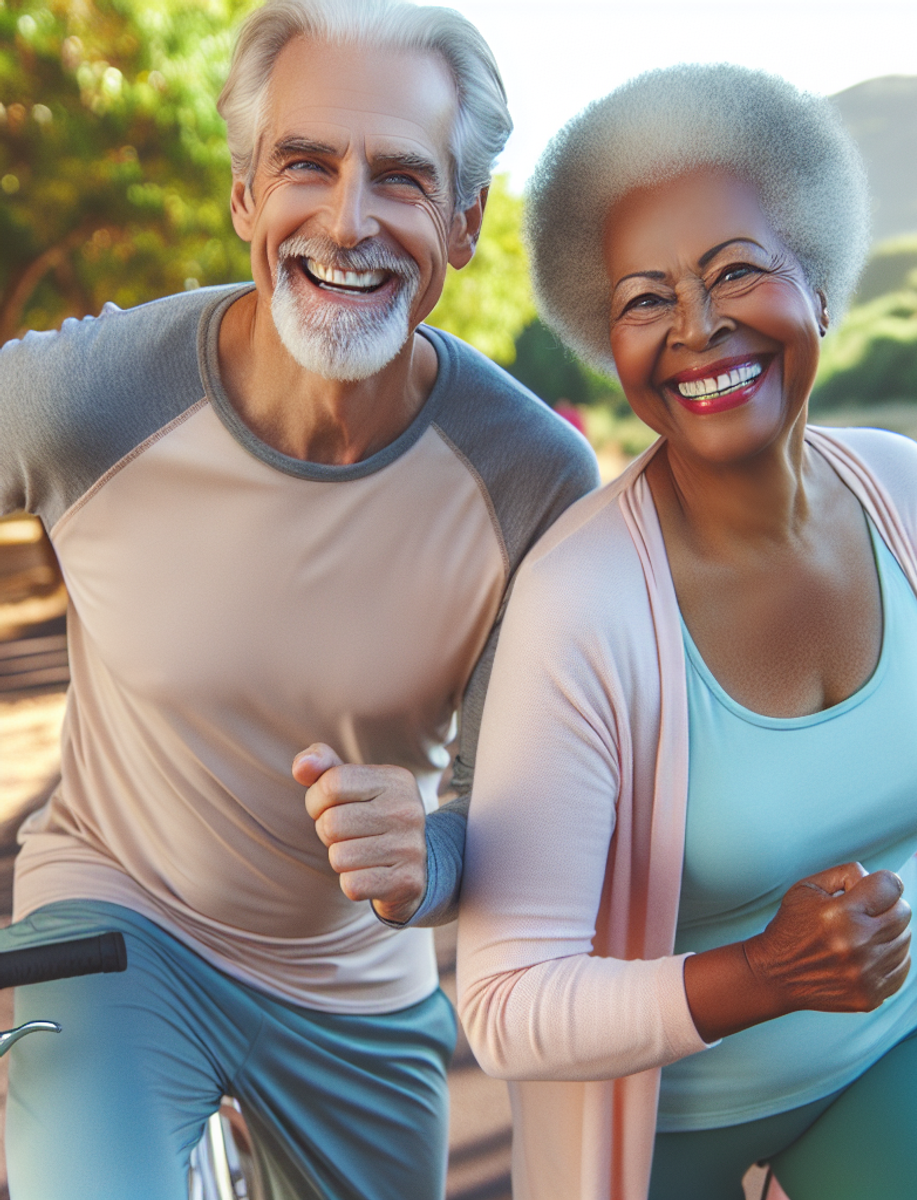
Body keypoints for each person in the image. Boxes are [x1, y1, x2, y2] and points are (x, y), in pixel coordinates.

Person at [454, 64, 917, 1200]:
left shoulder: (905, 491)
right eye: (646, 298)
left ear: (820, 284)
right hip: (656, 1110)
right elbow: (506, 1005)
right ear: (608, 345)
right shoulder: (580, 604)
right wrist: (763, 973)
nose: (699, 329)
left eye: (737, 273)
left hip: (893, 1056)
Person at [0, 1, 597, 1196]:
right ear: (244, 198)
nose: (346, 219)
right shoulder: (94, 397)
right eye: (305, 164)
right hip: (115, 917)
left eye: (403, 178)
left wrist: (426, 856)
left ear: (466, 222)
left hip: (357, 984)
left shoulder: (532, 477)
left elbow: (526, 812)